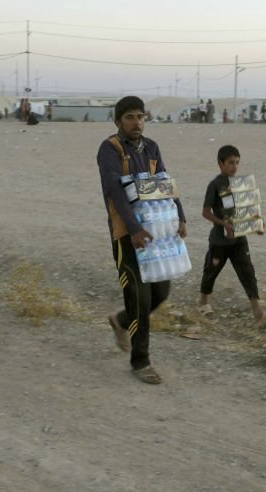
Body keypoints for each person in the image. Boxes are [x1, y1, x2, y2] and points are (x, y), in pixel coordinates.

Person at [97, 96, 187, 385]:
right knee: (139, 297)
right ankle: (141, 361)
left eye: (140, 116)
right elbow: (115, 191)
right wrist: (134, 229)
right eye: (130, 117)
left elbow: (163, 183)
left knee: (161, 292)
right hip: (126, 235)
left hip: (156, 233)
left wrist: (180, 216)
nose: (136, 122)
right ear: (118, 120)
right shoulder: (110, 149)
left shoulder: (151, 147)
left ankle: (120, 321)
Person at [197, 145, 266, 327]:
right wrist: (223, 224)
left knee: (247, 272)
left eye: (237, 162)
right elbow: (205, 212)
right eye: (231, 162)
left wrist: (258, 225)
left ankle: (258, 313)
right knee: (211, 271)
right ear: (221, 163)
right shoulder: (215, 184)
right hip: (219, 241)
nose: (235, 166)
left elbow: (249, 211)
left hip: (239, 239)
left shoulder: (241, 185)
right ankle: (203, 303)